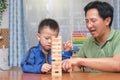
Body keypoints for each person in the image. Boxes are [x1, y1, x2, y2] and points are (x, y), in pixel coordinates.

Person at [62, 1, 120, 73]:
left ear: (107, 21)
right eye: (87, 21)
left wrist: (80, 61)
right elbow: (75, 64)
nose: (89, 25)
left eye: (93, 20)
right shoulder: (87, 43)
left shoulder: (118, 37)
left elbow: (117, 64)